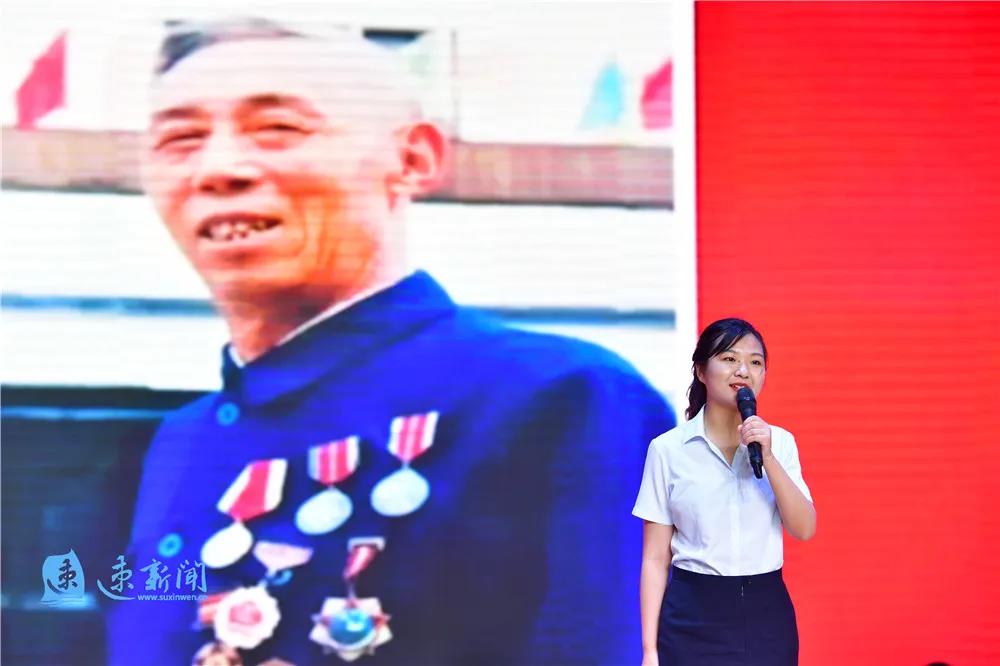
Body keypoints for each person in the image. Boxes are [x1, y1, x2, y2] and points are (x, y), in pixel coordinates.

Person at [106, 17, 675, 665]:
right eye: (180, 139)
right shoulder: (183, 440)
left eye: (277, 129)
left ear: (412, 159)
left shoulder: (559, 399)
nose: (219, 169)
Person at [633, 318, 816, 666]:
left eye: (755, 362)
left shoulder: (780, 443)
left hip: (766, 614)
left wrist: (768, 456)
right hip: (692, 615)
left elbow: (804, 528)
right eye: (730, 359)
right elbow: (655, 559)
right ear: (701, 370)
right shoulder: (668, 450)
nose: (743, 370)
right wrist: (649, 651)